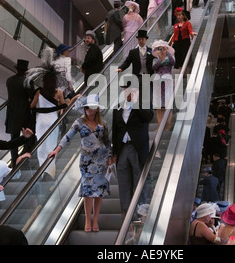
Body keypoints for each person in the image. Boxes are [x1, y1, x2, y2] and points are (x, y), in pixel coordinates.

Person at [49, 94, 112, 232]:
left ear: (96, 109)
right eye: (87, 107)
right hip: (86, 162)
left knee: (99, 192)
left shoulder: (103, 124)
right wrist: (57, 149)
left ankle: (95, 220)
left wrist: (110, 159)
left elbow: (107, 143)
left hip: (101, 161)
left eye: (92, 107)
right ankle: (88, 221)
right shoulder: (79, 122)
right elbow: (67, 136)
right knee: (88, 191)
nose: (89, 110)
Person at [26, 62, 81, 181]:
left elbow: (32, 106)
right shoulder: (58, 93)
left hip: (40, 121)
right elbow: (64, 107)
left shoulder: (39, 92)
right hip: (52, 121)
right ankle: (50, 173)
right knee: (51, 147)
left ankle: (42, 171)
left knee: (41, 147)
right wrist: (72, 100)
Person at [112, 84, 154, 215]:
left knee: (139, 181)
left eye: (130, 90)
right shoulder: (118, 107)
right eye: (125, 90)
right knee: (123, 183)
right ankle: (126, 214)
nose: (127, 93)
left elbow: (148, 117)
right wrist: (114, 153)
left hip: (137, 148)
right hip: (123, 148)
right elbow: (115, 131)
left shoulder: (143, 105)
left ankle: (140, 213)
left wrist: (136, 103)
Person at [5, 58, 34, 169]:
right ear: (26, 71)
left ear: (16, 69)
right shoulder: (27, 81)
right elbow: (31, 96)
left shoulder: (9, 80)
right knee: (28, 136)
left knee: (14, 139)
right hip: (24, 112)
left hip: (12, 112)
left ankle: (13, 162)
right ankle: (24, 158)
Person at [152, 40, 175, 129]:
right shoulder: (155, 59)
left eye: (162, 48)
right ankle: (160, 125)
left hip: (167, 80)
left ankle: (168, 125)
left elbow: (173, 63)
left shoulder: (170, 57)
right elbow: (154, 67)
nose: (160, 50)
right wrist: (161, 60)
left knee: (168, 104)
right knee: (158, 106)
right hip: (157, 81)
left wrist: (167, 54)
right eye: (158, 49)